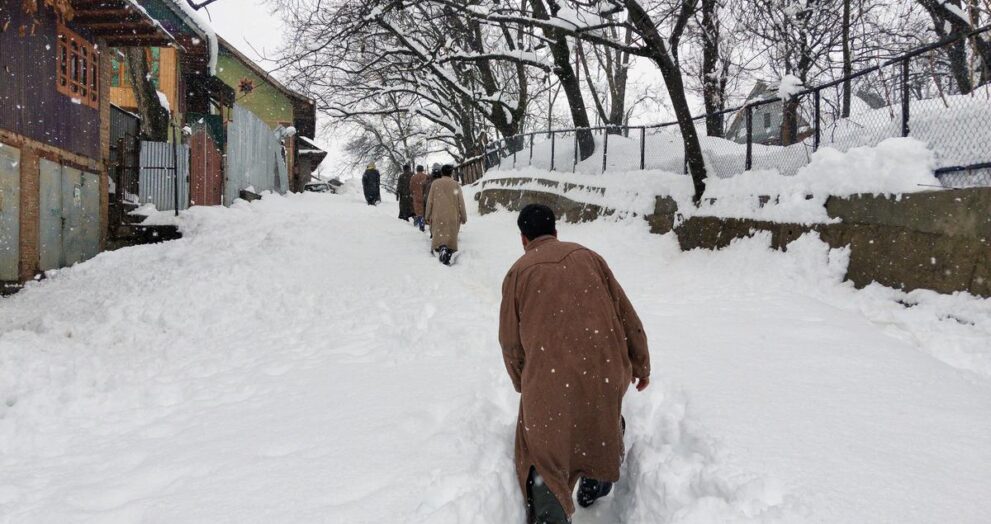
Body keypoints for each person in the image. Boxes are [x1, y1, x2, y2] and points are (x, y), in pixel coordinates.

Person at [498, 204, 650, 524]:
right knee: (598, 416)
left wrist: (523, 381)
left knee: (540, 448)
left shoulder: (518, 273)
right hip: (605, 367)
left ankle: (550, 509)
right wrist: (640, 363)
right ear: (555, 232)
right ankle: (597, 474)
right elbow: (626, 313)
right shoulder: (590, 257)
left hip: (551, 379)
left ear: (523, 239)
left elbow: (510, 344)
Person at [424, 164, 467, 265]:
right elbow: (461, 202)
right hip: (452, 215)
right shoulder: (455, 184)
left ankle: (442, 249)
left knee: (440, 236)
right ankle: (447, 251)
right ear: (451, 173)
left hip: (438, 215)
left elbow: (429, 201)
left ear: (442, 172)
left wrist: (427, 215)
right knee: (450, 237)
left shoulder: (435, 184)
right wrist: (463, 216)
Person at [410, 165, 429, 231]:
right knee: (426, 210)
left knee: (419, 212)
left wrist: (412, 193)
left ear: (417, 170)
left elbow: (411, 187)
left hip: (417, 196)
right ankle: (427, 222)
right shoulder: (426, 176)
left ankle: (421, 224)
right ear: (422, 169)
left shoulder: (413, 177)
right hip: (425, 196)